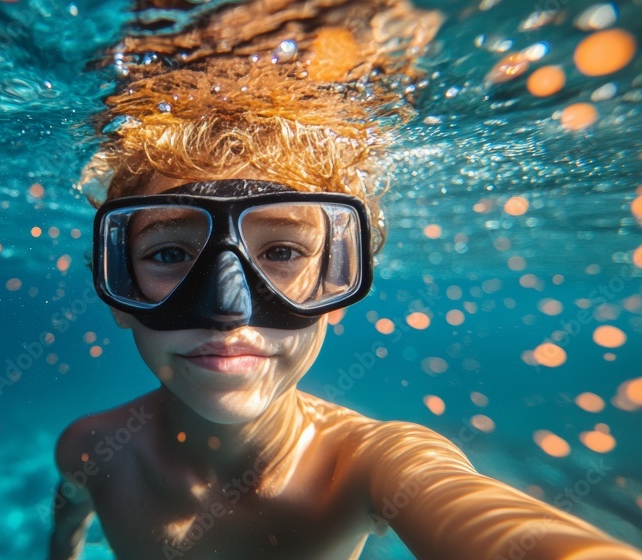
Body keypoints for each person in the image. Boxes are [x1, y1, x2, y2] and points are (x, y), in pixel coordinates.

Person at [49, 0, 642, 558]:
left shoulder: (371, 465)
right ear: (117, 292)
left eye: (281, 251)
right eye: (171, 256)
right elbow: (68, 516)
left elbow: (466, 504)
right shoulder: (90, 449)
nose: (228, 309)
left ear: (336, 291)